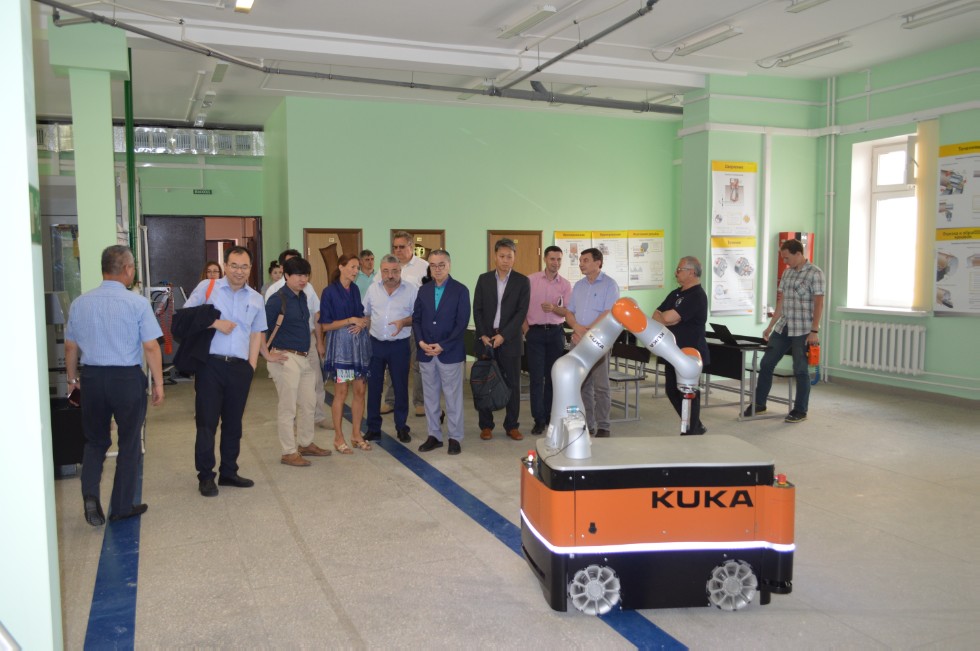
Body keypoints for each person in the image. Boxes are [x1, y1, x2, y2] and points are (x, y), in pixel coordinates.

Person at [64, 245, 165, 525]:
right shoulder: (137, 303)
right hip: (126, 380)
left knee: (95, 441)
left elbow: (70, 347)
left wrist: (72, 381)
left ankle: (90, 494)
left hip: (92, 378)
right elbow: (151, 347)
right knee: (129, 442)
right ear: (128, 270)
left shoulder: (80, 303)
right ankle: (121, 506)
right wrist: (159, 383)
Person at [184, 245, 266, 497]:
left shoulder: (256, 298)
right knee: (207, 423)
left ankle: (229, 471)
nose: (239, 271)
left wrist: (251, 366)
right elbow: (186, 317)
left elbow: (256, 332)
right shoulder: (207, 288)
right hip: (211, 365)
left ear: (250, 269)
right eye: (234, 266)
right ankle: (206, 476)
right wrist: (214, 322)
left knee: (233, 423)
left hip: (240, 368)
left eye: (244, 267)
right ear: (225, 266)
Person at [264, 256, 332, 467]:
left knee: (309, 403)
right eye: (298, 275)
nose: (303, 279)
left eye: (306, 275)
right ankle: (288, 451)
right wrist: (267, 355)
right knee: (288, 408)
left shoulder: (302, 296)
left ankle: (305, 443)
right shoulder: (277, 299)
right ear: (286, 275)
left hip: (304, 357)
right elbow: (260, 329)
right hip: (285, 358)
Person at [747, 239, 825, 423]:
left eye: (786, 257)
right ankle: (759, 404)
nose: (784, 261)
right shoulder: (787, 273)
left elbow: (819, 304)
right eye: (783, 258)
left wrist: (814, 330)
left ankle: (800, 410)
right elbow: (781, 302)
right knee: (766, 363)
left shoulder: (815, 273)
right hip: (783, 327)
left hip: (804, 329)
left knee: (800, 369)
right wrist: (770, 326)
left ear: (798, 253)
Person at [558, 248, 619, 438]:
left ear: (598, 262)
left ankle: (604, 426)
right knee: (582, 385)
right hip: (578, 339)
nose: (581, 264)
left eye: (585, 260)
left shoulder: (610, 285)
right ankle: (587, 424)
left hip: (599, 341)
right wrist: (577, 328)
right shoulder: (579, 286)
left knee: (601, 386)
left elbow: (608, 313)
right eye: (580, 260)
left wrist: (587, 332)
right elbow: (569, 312)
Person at [473, 238, 530, 441]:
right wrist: (483, 334)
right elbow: (477, 309)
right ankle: (486, 425)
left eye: (509, 257)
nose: (505, 260)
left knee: (512, 384)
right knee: (485, 383)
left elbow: (521, 312)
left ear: (514, 258)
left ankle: (511, 425)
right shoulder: (484, 279)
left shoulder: (522, 281)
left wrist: (503, 335)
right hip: (486, 339)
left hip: (510, 340)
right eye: (502, 256)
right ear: (495, 257)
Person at [414, 250, 470, 455]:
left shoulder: (460, 290)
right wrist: (421, 342)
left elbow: (461, 323)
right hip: (426, 353)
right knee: (430, 398)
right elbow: (417, 318)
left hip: (449, 353)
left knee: (453, 398)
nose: (437, 269)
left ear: (449, 265)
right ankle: (434, 435)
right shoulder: (424, 290)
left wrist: (443, 345)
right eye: (433, 265)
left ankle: (455, 437)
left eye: (441, 265)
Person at [319, 254, 373, 453]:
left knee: (360, 391)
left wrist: (362, 323)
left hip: (358, 347)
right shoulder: (329, 292)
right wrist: (350, 320)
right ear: (341, 267)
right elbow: (325, 325)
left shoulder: (355, 289)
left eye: (357, 267)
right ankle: (338, 437)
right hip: (341, 348)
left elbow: (361, 315)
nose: (356, 271)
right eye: (352, 267)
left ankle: (356, 435)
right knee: (341, 392)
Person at [362, 255, 417, 444]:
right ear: (381, 271)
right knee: (374, 387)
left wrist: (404, 321)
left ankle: (401, 427)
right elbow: (366, 313)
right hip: (375, 345)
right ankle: (373, 428)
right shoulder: (373, 289)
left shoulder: (411, 290)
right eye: (386, 271)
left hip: (399, 346)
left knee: (400, 387)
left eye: (394, 271)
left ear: (400, 271)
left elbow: (418, 316)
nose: (390, 275)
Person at [652, 257, 710, 435]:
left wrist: (667, 319)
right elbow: (656, 314)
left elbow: (667, 317)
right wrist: (667, 319)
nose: (676, 273)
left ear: (691, 272)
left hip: (690, 353)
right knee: (672, 391)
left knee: (688, 392)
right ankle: (695, 425)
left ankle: (691, 429)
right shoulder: (675, 293)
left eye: (679, 269)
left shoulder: (697, 296)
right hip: (672, 351)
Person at [523, 245, 572, 435]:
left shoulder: (565, 284)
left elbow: (568, 312)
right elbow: (521, 309)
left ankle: (551, 416)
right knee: (536, 378)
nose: (556, 263)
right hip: (534, 333)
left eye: (559, 259)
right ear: (545, 259)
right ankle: (539, 419)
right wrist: (527, 331)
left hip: (555, 334)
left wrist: (554, 308)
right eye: (552, 259)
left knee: (553, 378)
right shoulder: (530, 280)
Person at [382, 231, 428, 416]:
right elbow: (378, 290)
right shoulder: (389, 267)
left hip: (416, 323)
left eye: (402, 247)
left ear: (411, 247)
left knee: (418, 364)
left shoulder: (424, 267)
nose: (398, 250)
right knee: (393, 364)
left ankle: (420, 402)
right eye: (395, 247)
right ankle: (390, 401)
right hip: (394, 324)